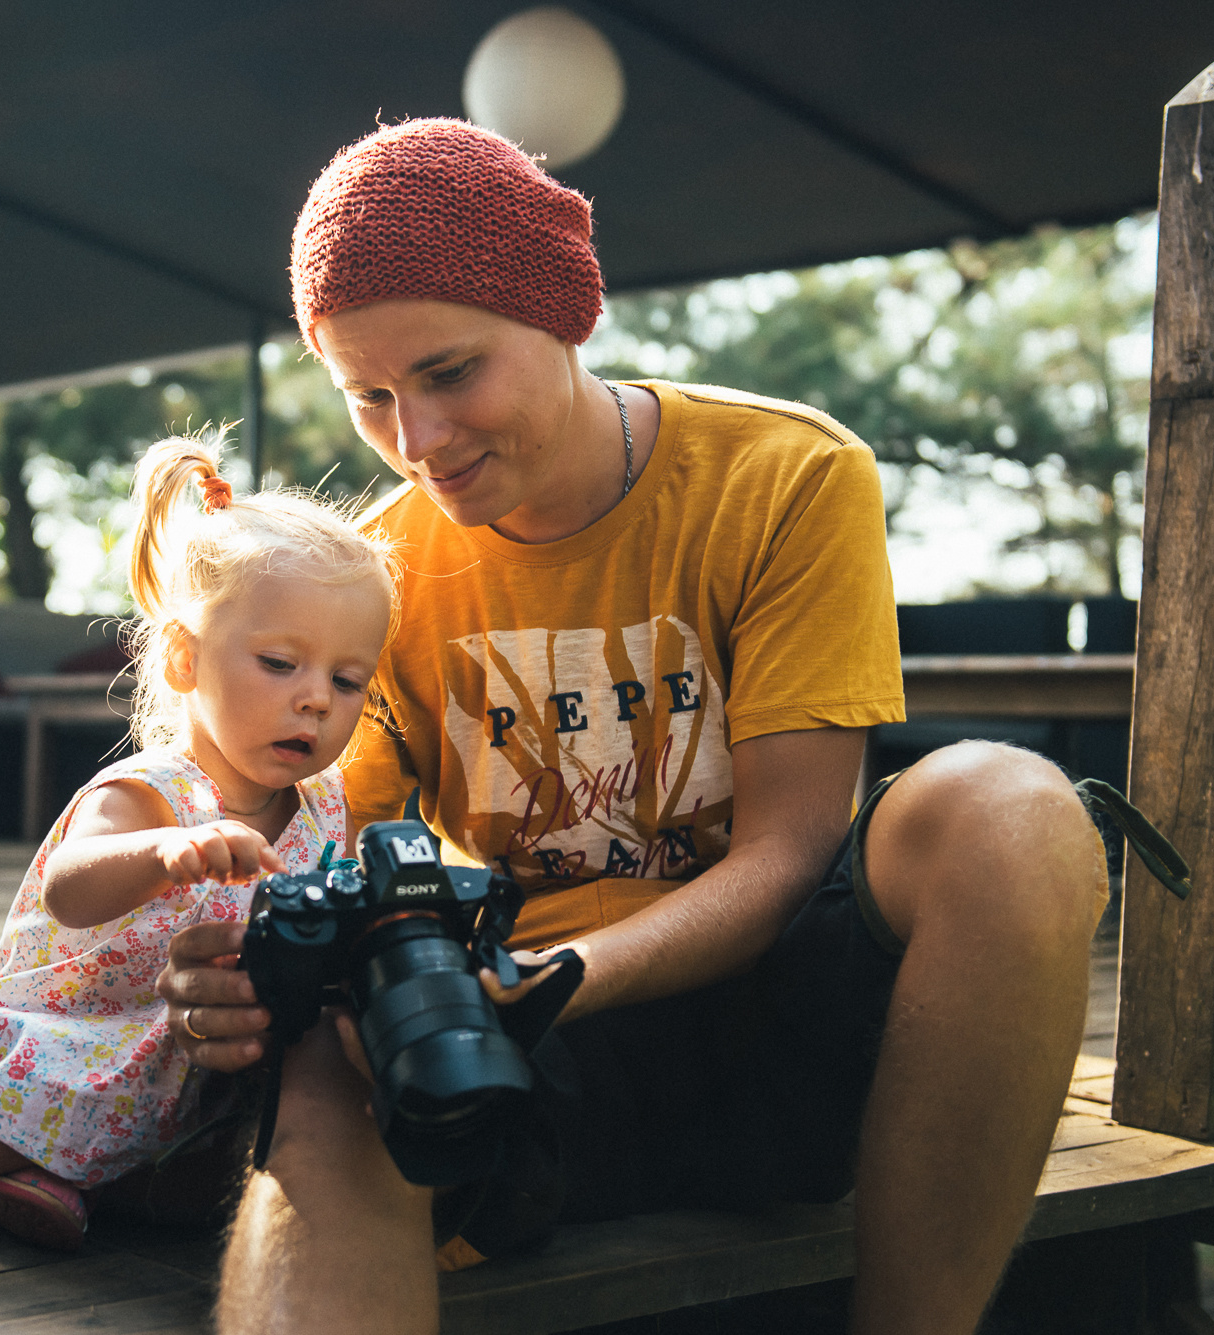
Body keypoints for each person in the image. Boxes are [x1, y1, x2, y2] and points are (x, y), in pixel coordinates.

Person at [156, 120, 1115, 1335]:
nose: (418, 441)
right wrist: (226, 953)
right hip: (512, 1061)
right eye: (369, 398)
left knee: (1015, 809)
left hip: (778, 1024)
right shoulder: (371, 575)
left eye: (449, 374)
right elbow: (328, 848)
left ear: (562, 310)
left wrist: (557, 977)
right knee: (330, 1062)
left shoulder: (785, 478)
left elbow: (784, 855)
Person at [0, 434, 398, 1284]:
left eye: (350, 679)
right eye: (281, 662)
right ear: (185, 657)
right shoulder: (155, 790)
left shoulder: (328, 807)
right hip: (84, 1023)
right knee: (78, 1074)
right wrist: (166, 851)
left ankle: (56, 1175)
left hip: (197, 1048)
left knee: (247, 1131)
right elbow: (72, 886)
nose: (316, 697)